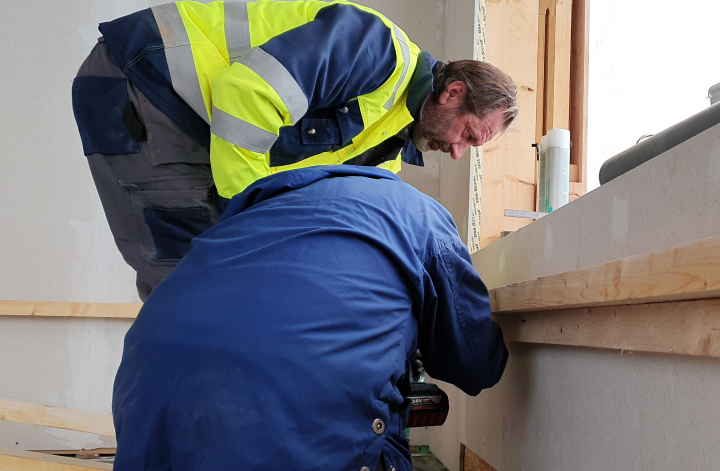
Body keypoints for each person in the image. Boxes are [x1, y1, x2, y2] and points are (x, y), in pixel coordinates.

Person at [71, 0, 518, 300]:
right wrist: (251, 213)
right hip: (149, 77)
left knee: (218, 282)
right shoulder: (375, 48)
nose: (458, 152)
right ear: (453, 93)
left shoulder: (389, 147)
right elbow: (246, 93)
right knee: (188, 282)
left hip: (191, 121)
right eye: (469, 136)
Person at [112, 163, 509, 471]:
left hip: (144, 386)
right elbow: (473, 362)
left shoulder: (262, 214)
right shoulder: (422, 214)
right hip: (282, 417)